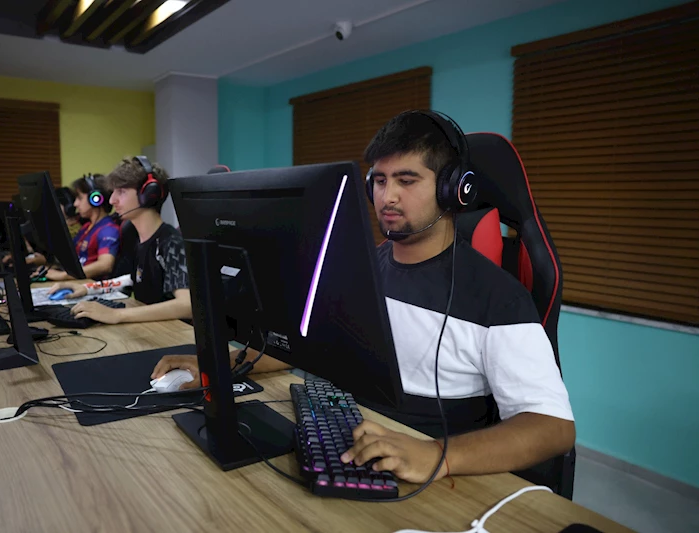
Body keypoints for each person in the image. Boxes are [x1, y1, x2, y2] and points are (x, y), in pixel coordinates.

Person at [150, 110, 576, 485]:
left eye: (406, 181)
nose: (387, 197)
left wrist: (437, 455)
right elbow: (306, 345)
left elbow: (553, 426)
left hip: (429, 468)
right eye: (379, 180)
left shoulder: (498, 298)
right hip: (346, 440)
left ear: (453, 190)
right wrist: (220, 362)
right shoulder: (359, 267)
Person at [47, 156, 192, 324]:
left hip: (173, 332)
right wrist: (87, 288)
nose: (111, 200)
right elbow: (132, 279)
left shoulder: (171, 241)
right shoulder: (136, 236)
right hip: (150, 328)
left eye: (121, 192)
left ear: (148, 194)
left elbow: (186, 304)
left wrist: (117, 315)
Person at [46, 175, 119, 281]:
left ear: (95, 199)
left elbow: (105, 265)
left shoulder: (108, 230)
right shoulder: (87, 227)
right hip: (79, 281)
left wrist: (63, 275)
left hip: (91, 285)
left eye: (80, 198)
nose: (75, 204)